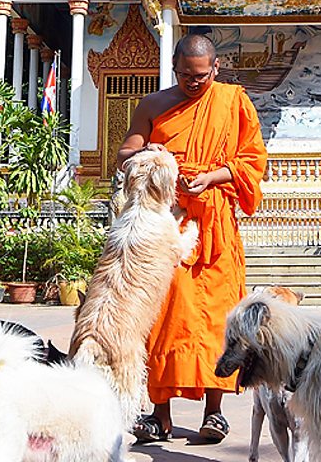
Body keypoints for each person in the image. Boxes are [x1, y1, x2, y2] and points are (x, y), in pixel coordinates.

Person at [115, 33, 267, 444]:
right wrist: (160, 159)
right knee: (163, 318)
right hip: (169, 226)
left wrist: (212, 176)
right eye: (186, 75)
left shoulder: (233, 101)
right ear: (175, 69)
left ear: (215, 69)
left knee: (220, 320)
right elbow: (126, 154)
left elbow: (252, 161)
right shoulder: (153, 105)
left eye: (201, 76)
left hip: (216, 229)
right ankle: (159, 414)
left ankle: (214, 413)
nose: (194, 83)